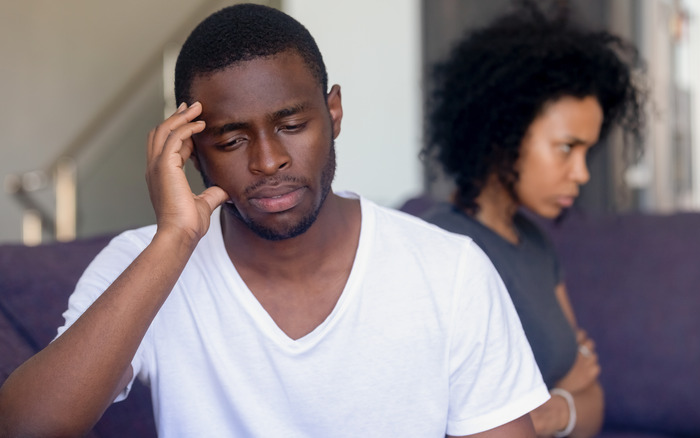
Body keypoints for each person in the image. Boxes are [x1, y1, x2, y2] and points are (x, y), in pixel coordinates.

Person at [0, 4, 551, 438]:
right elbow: (26, 427)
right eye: (232, 139)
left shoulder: (448, 270)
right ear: (192, 152)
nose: (268, 161)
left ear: (333, 114)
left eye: (291, 124)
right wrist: (175, 241)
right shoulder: (143, 264)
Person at [420, 4, 645, 438]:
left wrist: (550, 410)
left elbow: (593, 401)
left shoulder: (538, 248)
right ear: (503, 135)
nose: (582, 173)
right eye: (566, 148)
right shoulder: (440, 246)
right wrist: (564, 395)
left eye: (587, 152)